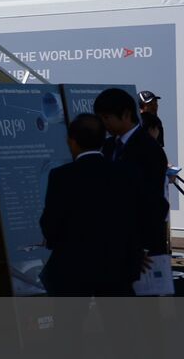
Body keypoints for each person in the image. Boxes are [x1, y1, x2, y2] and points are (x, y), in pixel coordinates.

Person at [39, 114, 142, 296]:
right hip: (116, 265)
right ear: (104, 140)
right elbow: (137, 215)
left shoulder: (62, 176)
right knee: (119, 321)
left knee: (70, 322)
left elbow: (51, 223)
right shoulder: (124, 173)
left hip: (73, 267)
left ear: (71, 141)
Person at [95, 87, 169, 259]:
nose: (103, 123)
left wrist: (142, 247)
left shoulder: (149, 149)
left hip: (142, 250)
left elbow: (155, 203)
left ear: (126, 114)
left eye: (106, 117)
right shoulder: (108, 146)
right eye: (100, 118)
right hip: (115, 244)